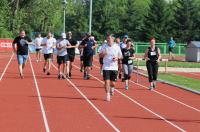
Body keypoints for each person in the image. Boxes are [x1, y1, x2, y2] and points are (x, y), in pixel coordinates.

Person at [99, 34, 122, 101]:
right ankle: (108, 95)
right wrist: (103, 54)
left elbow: (121, 56)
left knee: (113, 83)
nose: (108, 40)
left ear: (113, 39)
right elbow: (100, 55)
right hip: (106, 67)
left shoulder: (117, 47)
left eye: (110, 38)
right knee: (107, 82)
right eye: (108, 38)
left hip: (114, 67)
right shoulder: (104, 46)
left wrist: (117, 58)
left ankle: (112, 88)